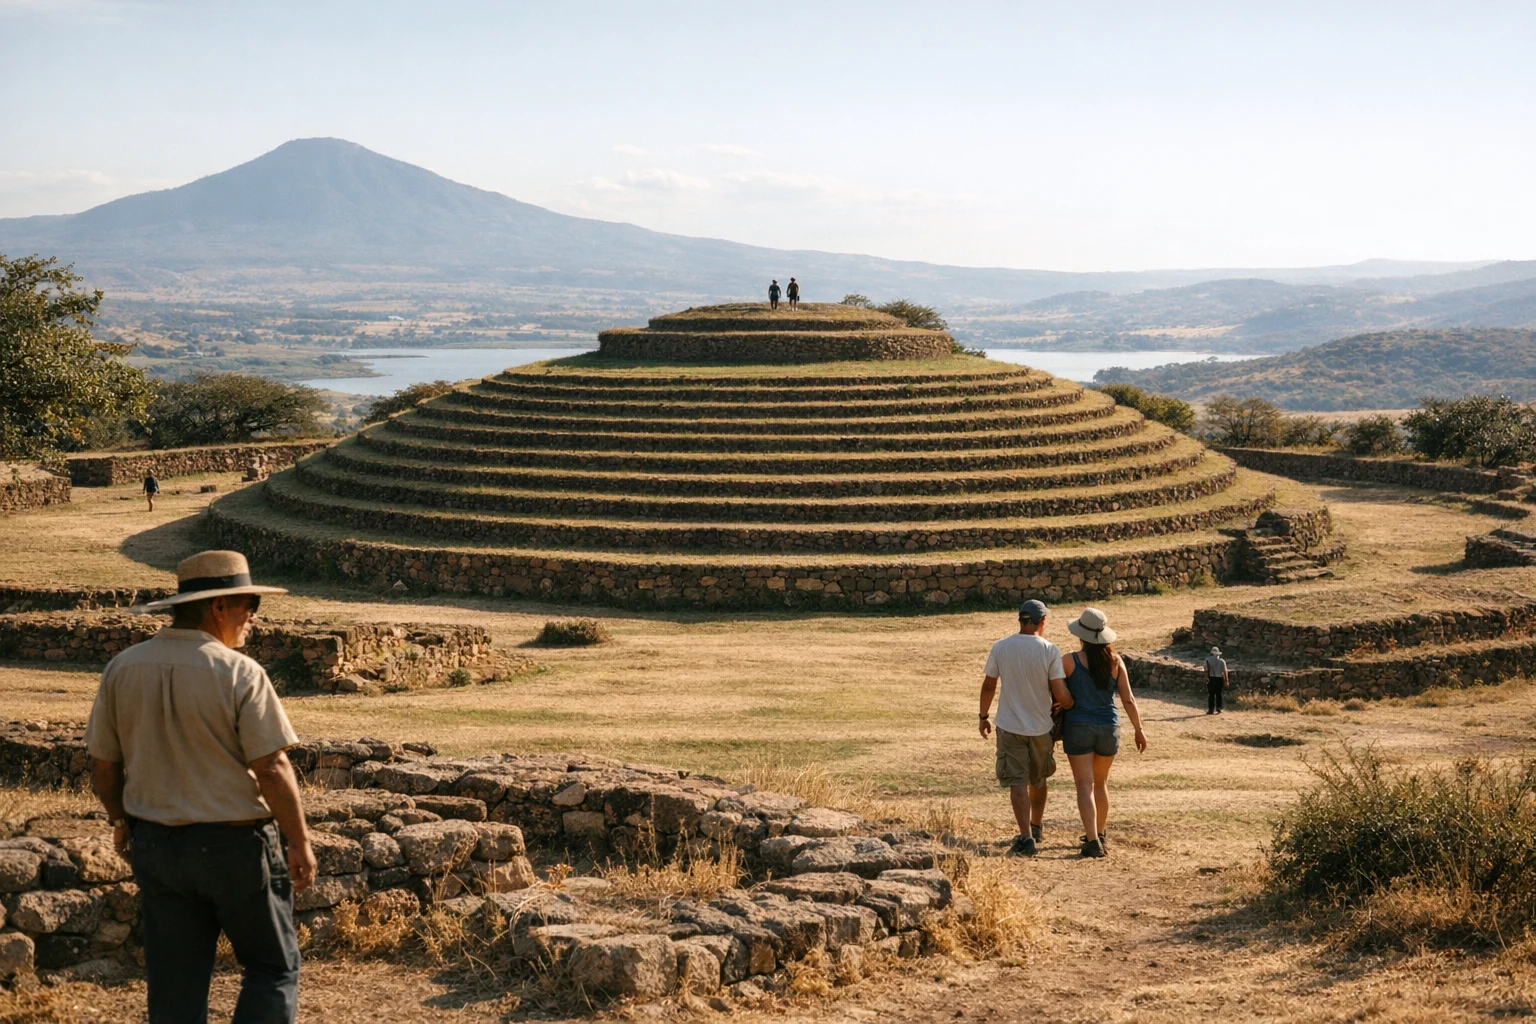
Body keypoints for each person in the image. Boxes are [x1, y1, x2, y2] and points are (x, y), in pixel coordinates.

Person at [86, 550, 315, 1024]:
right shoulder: (239, 673)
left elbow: (103, 767)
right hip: (236, 847)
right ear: (216, 607)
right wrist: (300, 841)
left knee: (175, 981)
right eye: (247, 602)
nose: (252, 614)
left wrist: (119, 820)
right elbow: (272, 767)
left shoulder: (122, 668)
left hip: (158, 845)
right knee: (272, 967)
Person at [1057, 607, 1147, 858]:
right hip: (1109, 726)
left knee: (1084, 785)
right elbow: (1128, 699)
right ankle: (1100, 832)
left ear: (1081, 635)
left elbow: (1056, 693)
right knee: (1101, 783)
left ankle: (1092, 841)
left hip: (1078, 727)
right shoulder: (1116, 662)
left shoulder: (1068, 661)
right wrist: (1139, 729)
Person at [978, 599, 1066, 856]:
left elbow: (989, 685)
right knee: (1038, 779)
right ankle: (1036, 825)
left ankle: (1025, 836)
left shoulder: (1001, 647)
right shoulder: (1050, 650)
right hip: (1041, 727)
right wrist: (1068, 704)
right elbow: (1059, 691)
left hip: (1010, 724)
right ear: (1042, 621)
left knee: (1017, 781)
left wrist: (983, 716)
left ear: (1020, 620)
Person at [1205, 646, 1230, 715]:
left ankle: (1211, 710)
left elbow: (1206, 671)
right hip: (1219, 678)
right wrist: (1226, 680)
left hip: (1211, 678)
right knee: (1219, 694)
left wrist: (1206, 678)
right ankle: (1219, 707)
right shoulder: (1222, 661)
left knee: (1211, 694)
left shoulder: (1207, 660)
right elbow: (1225, 671)